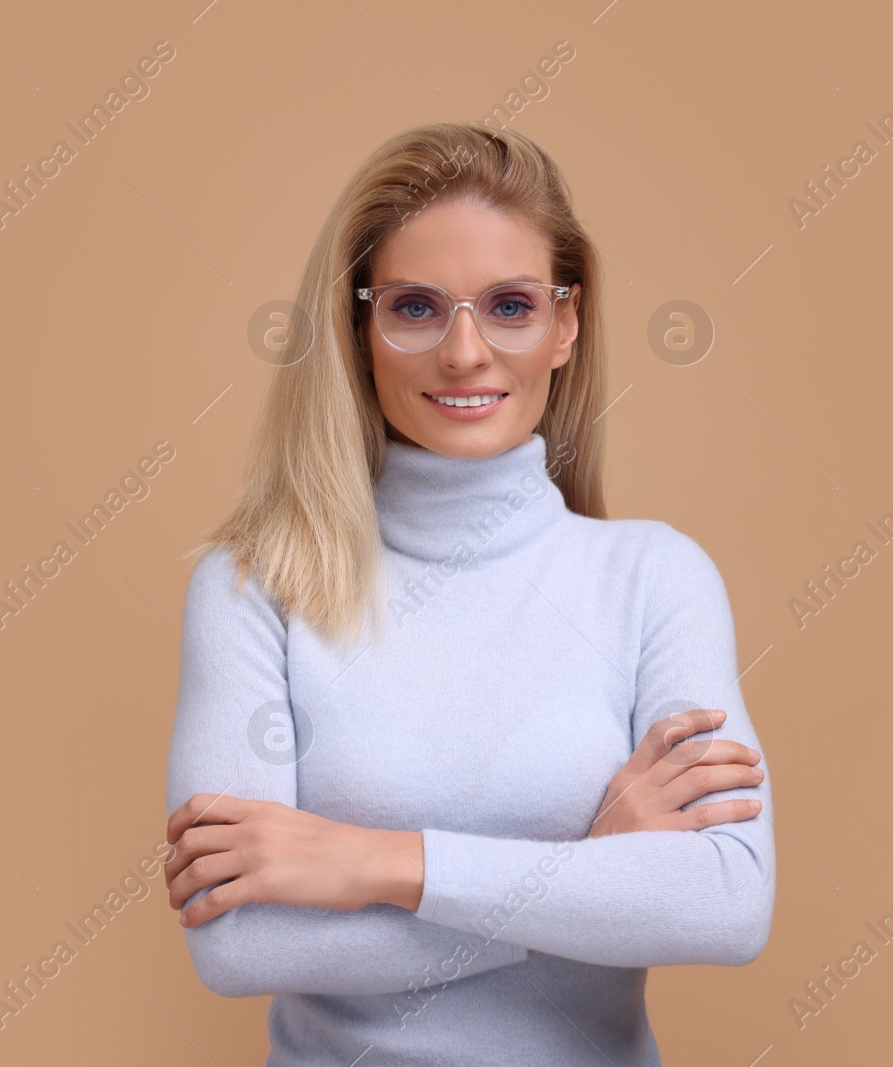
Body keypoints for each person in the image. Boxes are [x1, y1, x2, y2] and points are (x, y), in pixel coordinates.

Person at [162, 120, 774, 1066]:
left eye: (510, 305)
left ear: (567, 323)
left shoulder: (654, 577)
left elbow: (727, 904)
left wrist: (376, 861)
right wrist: (588, 871)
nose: (464, 353)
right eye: (415, 306)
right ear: (358, 328)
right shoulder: (254, 587)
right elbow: (238, 944)